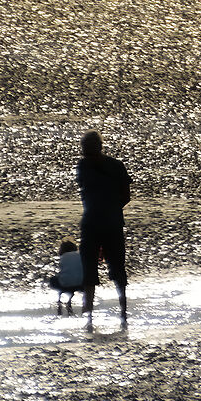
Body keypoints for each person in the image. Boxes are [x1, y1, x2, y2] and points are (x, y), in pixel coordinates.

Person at [74, 131, 132, 325]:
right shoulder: (117, 166)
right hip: (112, 223)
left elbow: (85, 194)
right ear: (100, 146)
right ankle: (123, 311)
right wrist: (112, 209)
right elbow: (126, 196)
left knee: (89, 272)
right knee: (117, 269)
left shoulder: (83, 166)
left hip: (91, 224)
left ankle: (88, 315)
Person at [47, 239, 88, 315]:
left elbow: (63, 272)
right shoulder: (80, 255)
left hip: (65, 284)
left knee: (54, 279)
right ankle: (75, 301)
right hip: (81, 284)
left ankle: (59, 300)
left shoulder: (63, 257)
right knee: (75, 278)